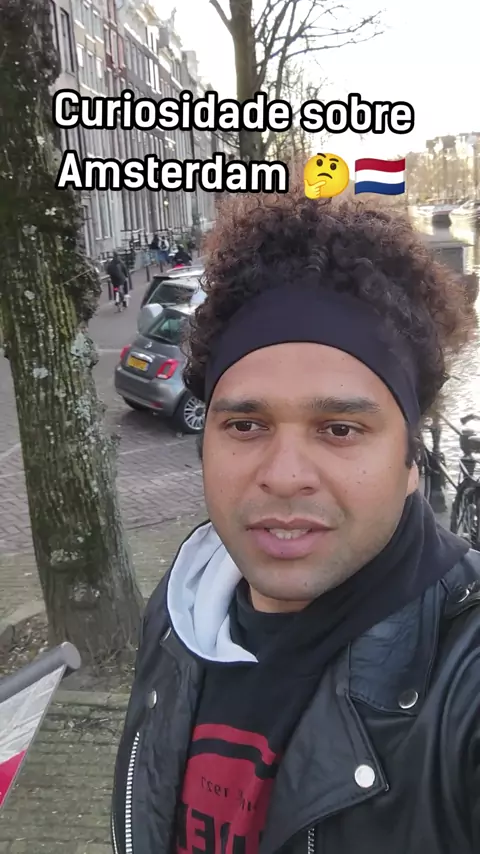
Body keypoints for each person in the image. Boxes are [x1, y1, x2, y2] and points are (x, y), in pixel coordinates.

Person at [112, 188, 480, 854]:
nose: (284, 476)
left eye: (339, 429)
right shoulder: (178, 613)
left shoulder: (464, 673)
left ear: (410, 461)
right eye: (246, 425)